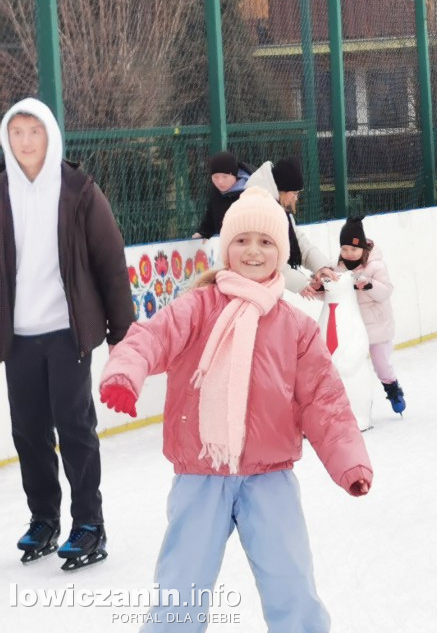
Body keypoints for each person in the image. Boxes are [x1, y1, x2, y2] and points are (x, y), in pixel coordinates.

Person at [98, 187, 372, 632]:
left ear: (281, 252)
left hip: (270, 477)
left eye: (266, 242)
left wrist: (350, 463)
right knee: (180, 590)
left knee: (292, 585)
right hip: (201, 475)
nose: (253, 251)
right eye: (242, 240)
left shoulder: (295, 328)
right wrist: (124, 372)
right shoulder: (197, 308)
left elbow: (325, 402)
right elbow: (150, 337)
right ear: (226, 247)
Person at [0, 97, 134, 569]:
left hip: (67, 332)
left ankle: (88, 524)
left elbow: (110, 260)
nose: (25, 141)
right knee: (28, 432)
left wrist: (123, 328)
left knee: (75, 429)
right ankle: (44, 519)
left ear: (50, 136)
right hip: (17, 337)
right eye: (16, 132)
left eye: (33, 131)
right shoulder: (1, 192)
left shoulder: (79, 191)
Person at [331, 217, 405, 414]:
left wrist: (369, 285)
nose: (349, 254)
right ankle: (350, 403)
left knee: (381, 365)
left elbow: (386, 291)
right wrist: (321, 288)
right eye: (345, 249)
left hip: (377, 326)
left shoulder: (376, 266)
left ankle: (392, 388)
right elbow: (334, 293)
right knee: (348, 366)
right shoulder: (339, 268)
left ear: (363, 249)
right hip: (353, 326)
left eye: (354, 250)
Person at [245, 156, 338, 295]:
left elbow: (299, 242)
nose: (296, 198)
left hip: (266, 290)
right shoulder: (257, 212)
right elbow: (266, 257)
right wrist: (301, 283)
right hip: (249, 289)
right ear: (283, 191)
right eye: (294, 193)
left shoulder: (281, 211)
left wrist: (320, 266)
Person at [191, 150, 251, 239]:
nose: (220, 182)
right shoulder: (216, 193)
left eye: (225, 176)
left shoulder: (250, 193)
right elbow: (210, 218)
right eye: (215, 177)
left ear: (234, 175)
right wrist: (203, 232)